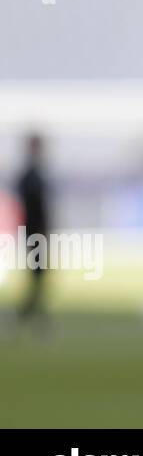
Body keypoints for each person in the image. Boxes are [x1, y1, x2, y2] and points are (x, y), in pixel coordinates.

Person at [15, 132, 50, 327]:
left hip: (37, 233)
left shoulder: (35, 174)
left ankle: (34, 318)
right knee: (37, 278)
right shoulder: (30, 175)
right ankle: (26, 318)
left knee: (39, 279)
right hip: (34, 233)